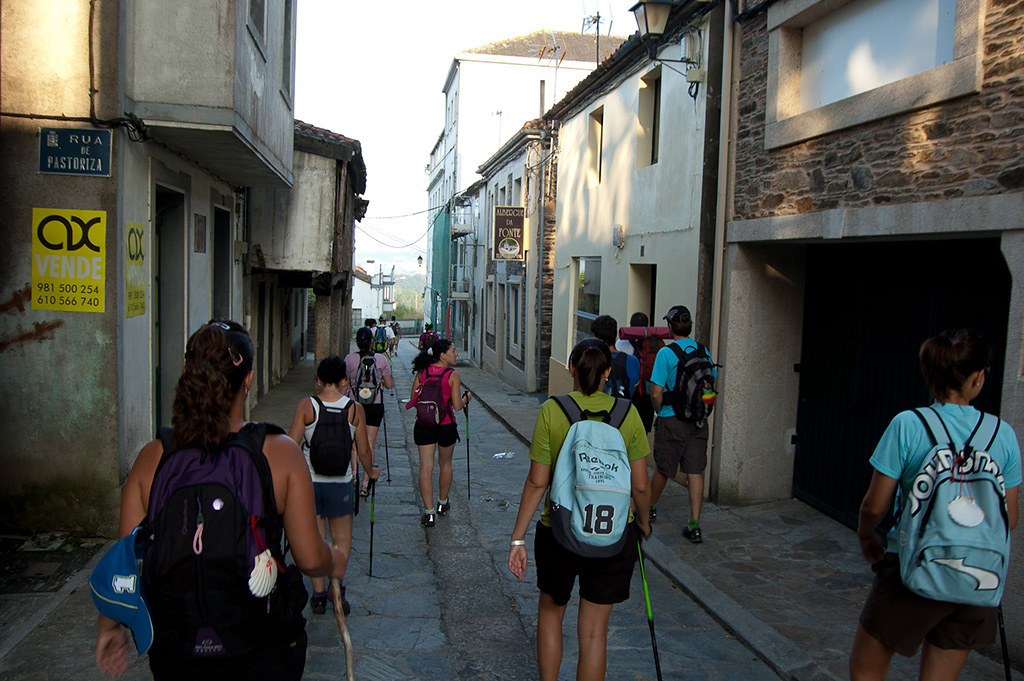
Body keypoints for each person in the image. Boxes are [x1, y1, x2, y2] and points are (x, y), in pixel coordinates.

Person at [95, 320, 354, 680]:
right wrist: (336, 560)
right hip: (262, 649)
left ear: (188, 374)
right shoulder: (279, 454)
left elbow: (125, 560)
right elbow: (310, 558)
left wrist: (110, 626)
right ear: (248, 381)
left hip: (178, 650)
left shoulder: (152, 458)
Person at [848, 329, 1020, 681]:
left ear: (929, 375)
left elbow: (875, 506)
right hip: (978, 579)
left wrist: (867, 535)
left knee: (866, 670)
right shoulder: (1002, 434)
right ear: (977, 377)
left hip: (913, 568)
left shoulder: (909, 425)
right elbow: (1010, 518)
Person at [507, 338, 651, 681]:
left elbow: (537, 481)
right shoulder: (628, 415)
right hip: (613, 534)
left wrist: (517, 538)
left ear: (571, 369)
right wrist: (642, 523)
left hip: (558, 531)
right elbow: (642, 485)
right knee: (593, 633)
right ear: (606, 373)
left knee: (551, 613)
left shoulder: (552, 411)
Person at [287, 355, 376, 618]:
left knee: (317, 539)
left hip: (309, 485)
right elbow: (363, 451)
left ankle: (317, 595)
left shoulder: (307, 406)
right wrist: (371, 473)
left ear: (318, 380)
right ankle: (336, 589)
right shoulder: (354, 409)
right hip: (340, 484)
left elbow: (291, 446)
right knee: (341, 541)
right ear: (344, 381)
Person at [648, 305, 717, 541]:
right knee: (695, 471)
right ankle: (695, 524)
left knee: (664, 468)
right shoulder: (702, 350)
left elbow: (656, 393)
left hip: (671, 418)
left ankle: (651, 508)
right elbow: (711, 385)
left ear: (669, 327)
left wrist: (660, 412)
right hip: (698, 421)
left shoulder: (665, 354)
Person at [406, 339, 471, 526]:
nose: (456, 353)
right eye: (453, 350)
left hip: (423, 425)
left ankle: (429, 513)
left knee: (425, 468)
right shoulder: (452, 375)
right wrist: (468, 397)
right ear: (443, 355)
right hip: (445, 425)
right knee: (445, 464)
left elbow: (413, 398)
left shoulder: (422, 372)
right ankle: (442, 503)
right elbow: (457, 406)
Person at [344, 327, 394, 495]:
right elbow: (389, 385)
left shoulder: (349, 359)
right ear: (371, 341)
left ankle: (354, 477)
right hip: (375, 405)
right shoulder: (381, 360)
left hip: (353, 405)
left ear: (357, 342)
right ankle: (366, 483)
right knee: (370, 443)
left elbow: (344, 383)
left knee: (354, 444)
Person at [590, 314, 641, 400]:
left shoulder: (590, 361)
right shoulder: (632, 361)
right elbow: (633, 388)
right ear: (616, 334)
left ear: (595, 337)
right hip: (623, 410)